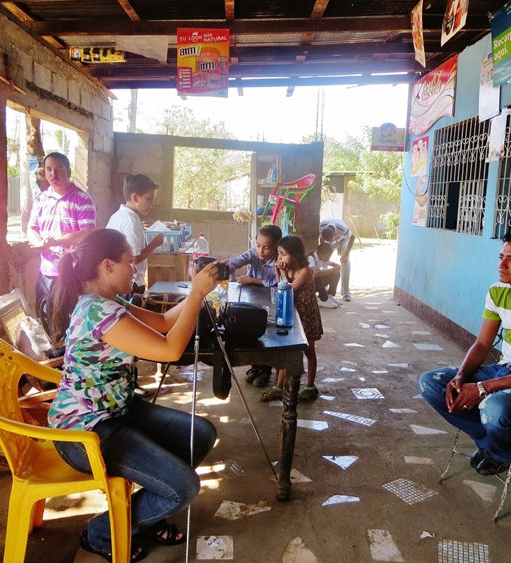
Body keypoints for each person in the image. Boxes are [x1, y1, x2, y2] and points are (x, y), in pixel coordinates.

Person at [47, 228, 220, 561]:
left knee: (200, 434)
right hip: (86, 431)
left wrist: (198, 291)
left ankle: (145, 513)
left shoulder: (110, 302)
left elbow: (163, 321)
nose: (135, 268)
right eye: (130, 261)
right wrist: (196, 295)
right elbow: (169, 350)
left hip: (118, 411)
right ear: (108, 265)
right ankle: (101, 532)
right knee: (184, 487)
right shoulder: (98, 312)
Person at [418, 230, 511, 476]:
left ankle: (502, 453)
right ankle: (495, 442)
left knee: (493, 406)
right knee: (432, 383)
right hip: (504, 369)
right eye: (501, 256)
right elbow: (481, 344)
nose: (501, 264)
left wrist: (482, 387)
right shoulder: (498, 291)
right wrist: (461, 375)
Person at [28, 152, 96, 328]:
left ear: (68, 171)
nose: (53, 174)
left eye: (59, 169)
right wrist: (39, 243)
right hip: (47, 272)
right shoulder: (41, 199)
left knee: (70, 320)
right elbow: (31, 228)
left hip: (73, 273)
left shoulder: (82, 199)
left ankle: (68, 354)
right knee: (46, 318)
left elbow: (86, 233)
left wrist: (54, 242)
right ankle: (52, 353)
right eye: (49, 169)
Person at [260, 235, 323, 403]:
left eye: (283, 254)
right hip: (291, 314)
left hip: (306, 315)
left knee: (309, 350)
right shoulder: (286, 269)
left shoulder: (305, 271)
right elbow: (279, 286)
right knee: (285, 350)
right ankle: (279, 387)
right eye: (279, 254)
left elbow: (288, 289)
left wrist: (281, 271)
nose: (280, 258)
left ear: (295, 254)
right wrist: (278, 270)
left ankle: (310, 385)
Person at [225, 224, 283, 388]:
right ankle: (255, 366)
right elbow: (239, 260)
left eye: (266, 247)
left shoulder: (279, 261)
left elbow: (274, 282)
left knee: (267, 334)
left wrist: (251, 280)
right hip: (252, 300)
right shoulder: (253, 253)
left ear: (277, 246)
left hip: (268, 302)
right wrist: (230, 265)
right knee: (251, 331)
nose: (261, 251)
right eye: (258, 245)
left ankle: (265, 370)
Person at [106, 173, 165, 296]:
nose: (152, 204)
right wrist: (154, 244)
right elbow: (134, 259)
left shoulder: (117, 215)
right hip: (131, 284)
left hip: (116, 280)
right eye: (149, 199)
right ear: (135, 197)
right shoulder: (132, 222)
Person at [319, 218, 355, 302]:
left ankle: (346, 292)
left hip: (344, 239)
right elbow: (322, 241)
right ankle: (324, 288)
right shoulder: (321, 226)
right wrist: (325, 253)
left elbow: (352, 237)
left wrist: (345, 254)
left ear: (335, 234)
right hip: (329, 239)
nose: (331, 242)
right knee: (324, 259)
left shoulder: (342, 229)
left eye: (331, 240)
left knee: (345, 261)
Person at [308, 241, 342, 309]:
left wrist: (337, 268)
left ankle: (330, 295)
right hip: (309, 286)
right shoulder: (311, 258)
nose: (328, 258)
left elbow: (335, 265)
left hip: (317, 284)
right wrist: (332, 269)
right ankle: (323, 299)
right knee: (318, 275)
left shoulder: (323, 259)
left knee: (335, 273)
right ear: (320, 254)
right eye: (327, 257)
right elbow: (315, 274)